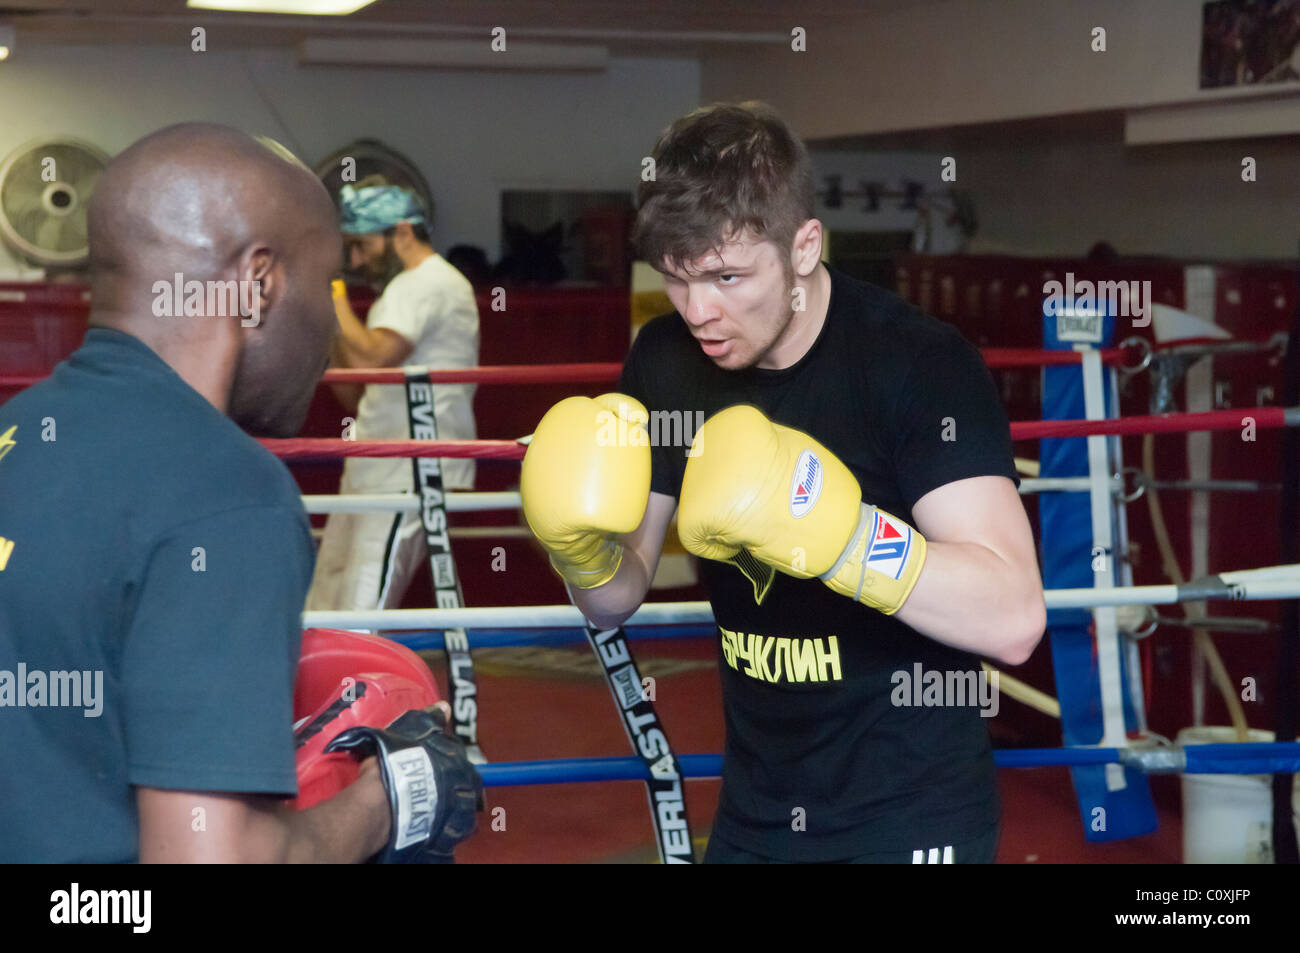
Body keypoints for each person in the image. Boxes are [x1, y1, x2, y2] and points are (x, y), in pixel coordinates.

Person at [521, 102, 1046, 864]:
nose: (700, 311)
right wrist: (580, 549)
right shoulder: (666, 358)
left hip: (911, 815)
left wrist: (839, 536)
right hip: (756, 812)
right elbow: (617, 598)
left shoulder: (917, 363)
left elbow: (1014, 616)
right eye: (676, 279)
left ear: (804, 246)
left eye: (728, 276)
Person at [0, 124, 479, 863]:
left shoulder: (20, 429)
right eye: (324, 286)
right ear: (257, 284)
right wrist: (388, 799)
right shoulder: (227, 494)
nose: (327, 330)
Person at [307, 184, 480, 612]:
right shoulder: (401, 290)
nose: (358, 260)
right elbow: (353, 391)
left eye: (363, 245)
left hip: (411, 469)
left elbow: (372, 359)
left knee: (362, 603)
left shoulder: (430, 283)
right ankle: (324, 681)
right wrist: (331, 318)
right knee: (326, 597)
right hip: (375, 463)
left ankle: (352, 682)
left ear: (402, 231)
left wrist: (332, 291)